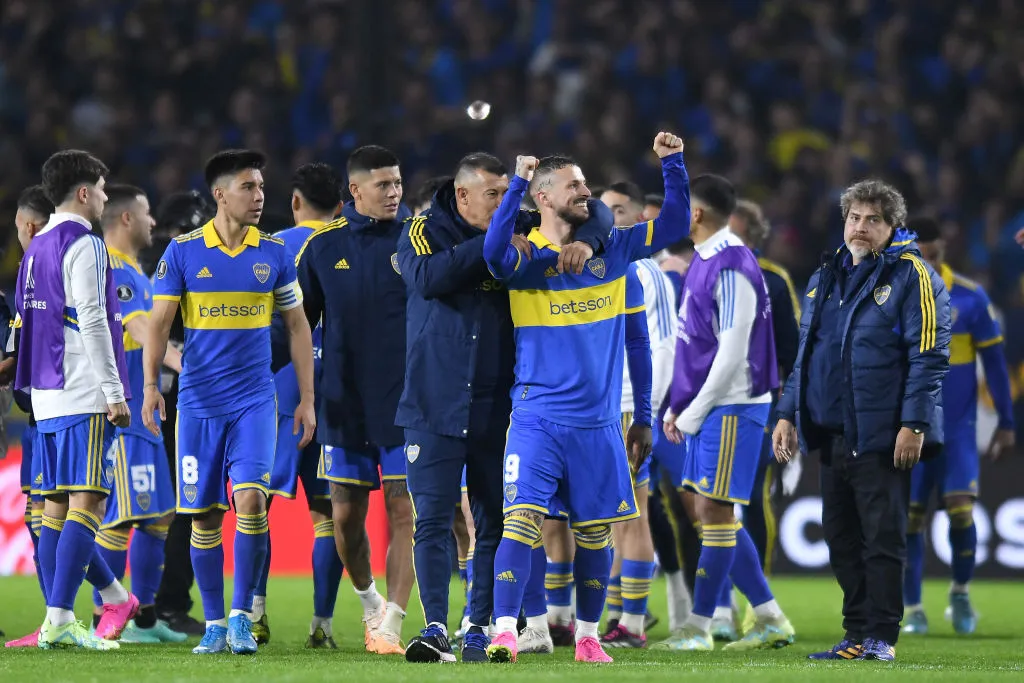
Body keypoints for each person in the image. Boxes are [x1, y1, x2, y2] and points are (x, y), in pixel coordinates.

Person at [482, 131, 690, 664]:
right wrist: (516, 184)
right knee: (521, 523)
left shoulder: (614, 249)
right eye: (573, 185)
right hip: (536, 417)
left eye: (585, 183)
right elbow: (492, 253)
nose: (585, 191)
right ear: (543, 197)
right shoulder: (525, 257)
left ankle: (588, 637)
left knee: (596, 534)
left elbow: (673, 225)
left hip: (599, 423)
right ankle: (505, 631)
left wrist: (672, 164)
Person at [397, 151, 613, 663]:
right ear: (463, 194)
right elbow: (427, 278)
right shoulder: (423, 229)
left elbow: (599, 211)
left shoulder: (521, 220)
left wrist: (587, 241)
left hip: (498, 406)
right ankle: (435, 627)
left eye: (505, 193)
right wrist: (491, 245)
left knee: (495, 521)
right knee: (432, 520)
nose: (503, 203)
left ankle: (478, 626)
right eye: (492, 195)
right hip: (433, 403)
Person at [143, 149, 317, 655]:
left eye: (261, 186)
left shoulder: (274, 253)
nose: (259, 196)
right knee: (201, 517)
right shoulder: (183, 252)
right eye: (248, 186)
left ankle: (241, 617)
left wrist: (306, 398)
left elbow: (298, 326)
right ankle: (215, 624)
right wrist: (151, 386)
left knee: (252, 501)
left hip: (254, 400)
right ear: (220, 194)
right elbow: (158, 324)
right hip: (199, 404)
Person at [774, 179, 951, 661]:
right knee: (840, 539)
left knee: (882, 539)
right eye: (854, 217)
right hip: (832, 431)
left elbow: (929, 356)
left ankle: (880, 638)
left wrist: (914, 424)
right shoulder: (826, 275)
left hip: (882, 433)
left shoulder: (913, 276)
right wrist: (787, 413)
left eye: (873, 220)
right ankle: (855, 634)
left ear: (893, 227)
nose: (861, 227)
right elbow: (807, 354)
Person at [660, 175, 795, 652]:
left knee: (715, 511)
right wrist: (679, 405)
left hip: (734, 405)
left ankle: (699, 626)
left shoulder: (733, 263)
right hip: (711, 405)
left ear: (696, 214)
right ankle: (769, 617)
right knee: (710, 511)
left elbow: (735, 350)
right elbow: (696, 344)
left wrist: (692, 412)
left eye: (680, 206)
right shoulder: (705, 258)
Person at [14, 150, 136, 650]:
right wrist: (114, 391)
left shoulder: (35, 246)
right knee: (88, 503)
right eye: (102, 189)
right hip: (83, 390)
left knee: (55, 510)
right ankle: (63, 617)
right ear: (84, 192)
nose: (105, 198)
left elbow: (27, 322)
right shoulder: (84, 243)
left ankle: (79, 609)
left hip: (46, 395)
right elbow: (92, 319)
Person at [296, 145, 413, 655]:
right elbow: (296, 326)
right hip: (343, 404)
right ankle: (370, 603)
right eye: (383, 184)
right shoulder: (323, 249)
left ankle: (392, 623)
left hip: (406, 405)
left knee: (404, 511)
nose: (394, 192)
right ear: (355, 191)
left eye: (398, 182)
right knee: (343, 518)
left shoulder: (417, 241)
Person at [903, 216, 1014, 636]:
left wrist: (1006, 421)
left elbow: (996, 365)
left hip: (958, 429)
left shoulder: (969, 297)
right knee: (910, 520)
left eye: (933, 256)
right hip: (911, 428)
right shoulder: (894, 296)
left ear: (943, 251)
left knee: (961, 509)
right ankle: (913, 607)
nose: (928, 264)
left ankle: (961, 593)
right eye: (920, 257)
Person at [251, 163, 345, 648]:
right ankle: (322, 624)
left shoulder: (270, 247)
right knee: (330, 511)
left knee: (256, 503)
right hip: (338, 394)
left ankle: (254, 613)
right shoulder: (350, 245)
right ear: (342, 205)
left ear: (294, 202)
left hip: (278, 390)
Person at [90, 185, 186, 644]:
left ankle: (144, 618)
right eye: (146, 213)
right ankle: (106, 617)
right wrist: (186, 363)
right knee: (120, 517)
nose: (153, 222)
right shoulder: (112, 268)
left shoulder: (135, 271)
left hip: (145, 414)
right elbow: (142, 327)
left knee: (156, 517)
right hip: (124, 412)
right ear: (126, 218)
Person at [703, 199, 800, 641]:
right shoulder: (703, 272)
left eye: (737, 234)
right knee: (710, 503)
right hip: (707, 405)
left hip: (756, 405)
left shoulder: (774, 280)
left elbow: (791, 351)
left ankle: (755, 604)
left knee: (751, 500)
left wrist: (786, 412)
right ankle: (722, 605)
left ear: (754, 237)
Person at [598, 181, 678, 648]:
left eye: (617, 210)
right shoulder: (611, 264)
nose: (608, 218)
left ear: (636, 218)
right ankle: (619, 615)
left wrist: (648, 412)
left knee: (634, 515)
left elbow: (664, 347)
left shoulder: (645, 271)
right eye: (603, 209)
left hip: (630, 406)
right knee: (614, 518)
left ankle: (633, 620)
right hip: (607, 405)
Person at [151, 190, 215, 637]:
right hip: (176, 401)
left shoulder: (150, 263)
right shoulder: (181, 262)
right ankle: (167, 604)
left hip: (157, 399)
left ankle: (141, 605)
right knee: (186, 503)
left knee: (170, 506)